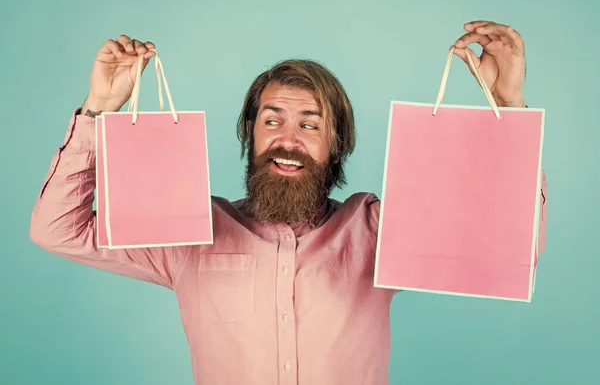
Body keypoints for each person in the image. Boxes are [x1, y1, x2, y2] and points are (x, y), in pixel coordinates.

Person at [29, 20, 548, 385]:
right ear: (250, 135)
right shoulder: (188, 232)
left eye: (310, 124)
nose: (287, 139)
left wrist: (508, 108)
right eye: (272, 120)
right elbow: (57, 229)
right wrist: (99, 111)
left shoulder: (375, 232)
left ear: (336, 143)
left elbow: (510, 244)